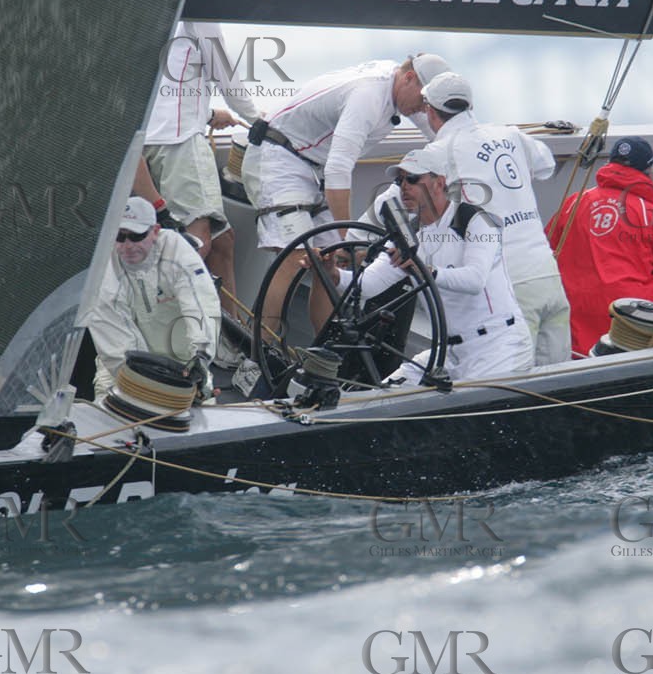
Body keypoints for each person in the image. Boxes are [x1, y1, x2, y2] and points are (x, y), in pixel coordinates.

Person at [241, 52, 450, 337]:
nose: (423, 109)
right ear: (410, 78)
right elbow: (340, 169)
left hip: (314, 167)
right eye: (423, 100)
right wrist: (347, 238)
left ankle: (322, 358)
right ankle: (256, 353)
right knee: (295, 258)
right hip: (279, 158)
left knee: (333, 265)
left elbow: (442, 137)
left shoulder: (401, 86)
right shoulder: (368, 96)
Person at [329, 140, 533, 382]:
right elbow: (367, 286)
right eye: (400, 180)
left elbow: (475, 280)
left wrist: (424, 270)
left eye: (413, 179)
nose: (404, 186)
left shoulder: (477, 220)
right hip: (448, 351)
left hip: (499, 346)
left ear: (440, 183)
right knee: (386, 396)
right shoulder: (408, 237)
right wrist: (330, 272)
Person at [423, 71, 571, 366]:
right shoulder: (510, 134)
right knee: (557, 379)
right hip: (548, 275)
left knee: (518, 386)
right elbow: (545, 167)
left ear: (430, 111)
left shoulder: (438, 153)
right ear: (469, 106)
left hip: (511, 286)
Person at [545, 136, 653, 356]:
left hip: (576, 328)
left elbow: (548, 253)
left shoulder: (572, 204)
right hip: (633, 323)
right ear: (650, 170)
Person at [137, 21, 261, 304]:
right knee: (199, 239)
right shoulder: (201, 14)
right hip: (178, 142)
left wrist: (206, 114)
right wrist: (259, 121)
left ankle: (231, 341)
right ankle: (156, 324)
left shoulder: (155, 6)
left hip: (148, 139)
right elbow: (226, 77)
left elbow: (161, 85)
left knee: (222, 242)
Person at [84, 197, 221, 401]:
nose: (128, 245)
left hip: (186, 363)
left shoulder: (179, 253)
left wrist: (201, 357)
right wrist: (152, 386)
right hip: (123, 367)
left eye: (137, 236)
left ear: (155, 231)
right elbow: (118, 345)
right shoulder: (102, 272)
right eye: (120, 237)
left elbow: (201, 305)